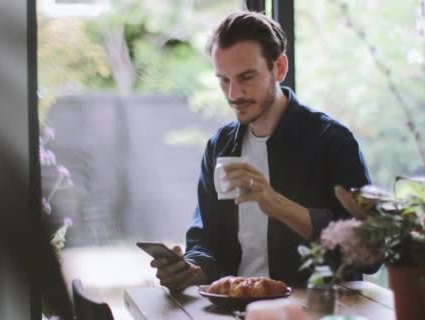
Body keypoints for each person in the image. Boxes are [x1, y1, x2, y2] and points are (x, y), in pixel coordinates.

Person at [151, 11, 372, 291]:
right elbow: (206, 242)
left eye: (246, 77)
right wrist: (189, 271)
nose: (233, 94)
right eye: (224, 80)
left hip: (312, 309)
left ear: (279, 68)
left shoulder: (332, 141)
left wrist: (275, 203)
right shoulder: (220, 146)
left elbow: (368, 251)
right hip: (234, 308)